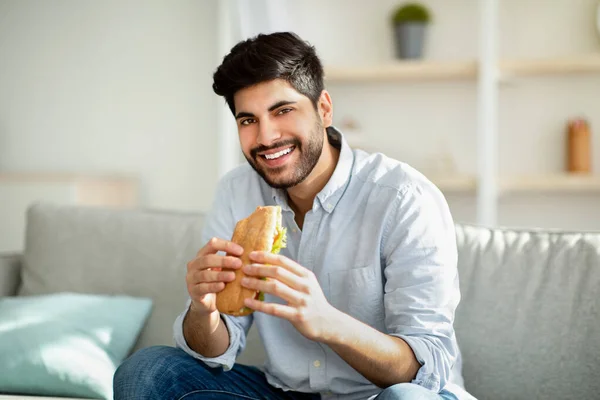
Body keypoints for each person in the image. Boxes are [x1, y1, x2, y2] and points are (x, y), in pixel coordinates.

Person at [113, 31, 476, 400]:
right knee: (147, 372)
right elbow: (218, 347)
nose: (266, 136)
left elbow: (425, 367)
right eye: (248, 120)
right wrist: (204, 311)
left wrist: (329, 323)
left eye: (283, 111)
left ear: (324, 108)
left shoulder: (404, 198)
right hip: (285, 393)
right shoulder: (237, 192)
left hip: (382, 394)